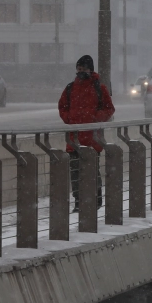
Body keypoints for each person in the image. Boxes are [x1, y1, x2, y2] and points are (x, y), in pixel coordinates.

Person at [58, 55, 115, 212]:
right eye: (78, 69)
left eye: (83, 69)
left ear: (90, 69)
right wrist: (69, 119)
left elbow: (109, 108)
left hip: (92, 140)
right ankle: (78, 202)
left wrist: (96, 119)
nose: (80, 72)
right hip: (74, 140)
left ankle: (95, 201)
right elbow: (62, 107)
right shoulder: (70, 88)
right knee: (76, 174)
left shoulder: (99, 88)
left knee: (91, 172)